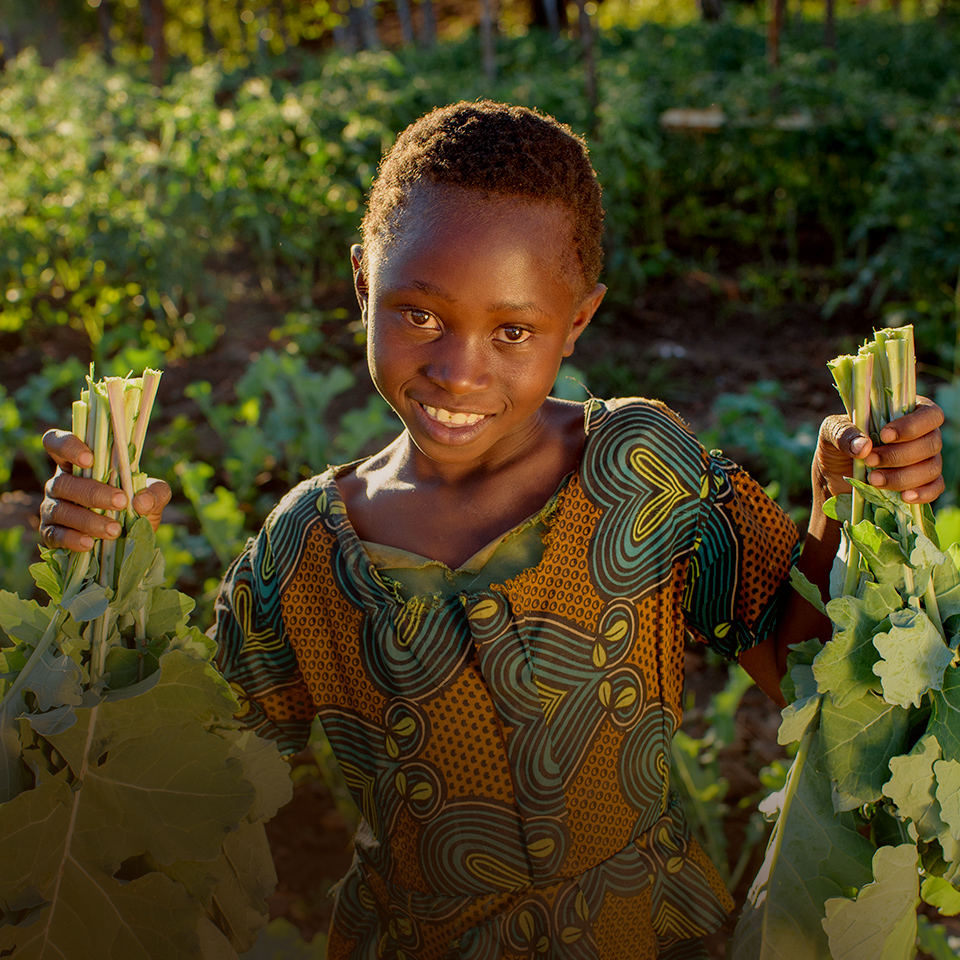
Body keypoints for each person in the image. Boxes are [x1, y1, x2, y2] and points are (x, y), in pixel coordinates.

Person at [39, 101, 945, 959]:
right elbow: (189, 785)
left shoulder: (639, 467)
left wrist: (842, 495)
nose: (458, 372)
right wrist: (100, 576)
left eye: (514, 330)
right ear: (365, 281)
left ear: (577, 320)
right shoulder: (304, 546)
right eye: (419, 314)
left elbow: (801, 661)